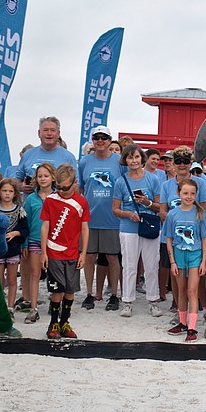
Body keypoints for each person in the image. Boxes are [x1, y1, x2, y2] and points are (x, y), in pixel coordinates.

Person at [111, 144, 163, 318]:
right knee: (129, 265)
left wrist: (146, 202)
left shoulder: (153, 179)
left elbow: (159, 207)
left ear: (142, 158)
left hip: (149, 225)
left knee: (151, 264)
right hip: (128, 227)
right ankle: (127, 301)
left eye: (136, 157)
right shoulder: (120, 181)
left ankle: (153, 300)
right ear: (125, 160)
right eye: (130, 157)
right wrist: (128, 214)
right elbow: (115, 209)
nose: (133, 161)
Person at [160, 147, 206, 315]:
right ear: (172, 163)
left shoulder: (202, 183)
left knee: (199, 275)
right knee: (176, 277)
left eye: (185, 161)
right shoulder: (167, 185)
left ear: (191, 163)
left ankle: (202, 306)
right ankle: (179, 308)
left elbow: (204, 211)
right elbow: (162, 210)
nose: (182, 165)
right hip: (173, 237)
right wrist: (174, 225)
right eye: (178, 161)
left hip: (196, 238)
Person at [77, 125, 125, 311]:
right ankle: (89, 294)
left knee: (113, 257)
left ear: (110, 140)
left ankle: (113, 294)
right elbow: (81, 188)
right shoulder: (84, 162)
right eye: (96, 137)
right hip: (89, 218)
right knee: (89, 256)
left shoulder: (118, 161)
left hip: (112, 217)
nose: (100, 141)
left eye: (104, 137)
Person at [41, 164, 90, 339]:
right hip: (54, 251)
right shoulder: (50, 200)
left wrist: (83, 253)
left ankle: (64, 322)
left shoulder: (81, 202)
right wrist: (43, 252)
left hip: (73, 252)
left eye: (66, 188)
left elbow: (85, 229)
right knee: (57, 290)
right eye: (58, 187)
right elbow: (45, 226)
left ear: (75, 183)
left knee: (70, 289)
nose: (62, 191)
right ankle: (53, 323)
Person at [164, 179, 206, 342]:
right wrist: (172, 262)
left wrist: (204, 261)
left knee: (192, 290)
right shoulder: (172, 214)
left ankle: (192, 327)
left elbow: (205, 238)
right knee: (181, 290)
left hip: (195, 255)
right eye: (185, 193)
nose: (189, 196)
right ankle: (182, 322)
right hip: (178, 254)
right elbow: (168, 238)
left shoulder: (200, 213)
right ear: (179, 194)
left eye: (192, 193)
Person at [22, 162, 56, 324]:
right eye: (40, 176)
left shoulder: (58, 197)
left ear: (53, 178)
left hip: (54, 242)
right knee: (34, 273)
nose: (43, 179)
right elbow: (25, 222)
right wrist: (25, 244)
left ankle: (55, 302)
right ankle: (33, 308)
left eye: (46, 176)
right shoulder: (31, 199)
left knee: (54, 275)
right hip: (35, 240)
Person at [15, 117, 77, 196]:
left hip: (58, 205)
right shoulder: (27, 155)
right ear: (39, 133)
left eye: (52, 130)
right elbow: (17, 180)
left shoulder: (68, 157)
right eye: (45, 130)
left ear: (58, 134)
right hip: (32, 205)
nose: (49, 133)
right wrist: (21, 186)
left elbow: (75, 185)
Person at [0, 178, 28, 315]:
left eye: (10, 191)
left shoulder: (20, 210)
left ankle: (10, 307)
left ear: (15, 194)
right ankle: (0, 307)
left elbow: (26, 229)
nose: (7, 194)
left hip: (13, 250)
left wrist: (16, 232)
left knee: (12, 280)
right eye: (4, 191)